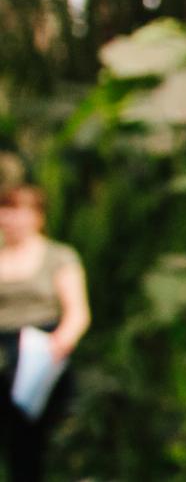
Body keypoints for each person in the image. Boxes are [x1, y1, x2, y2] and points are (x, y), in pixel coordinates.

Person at [0, 183, 91, 482]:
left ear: (37, 217)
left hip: (38, 355)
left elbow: (77, 312)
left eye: (18, 211)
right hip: (2, 350)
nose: (10, 219)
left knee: (29, 442)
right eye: (5, 211)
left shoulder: (58, 257)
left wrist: (59, 344)